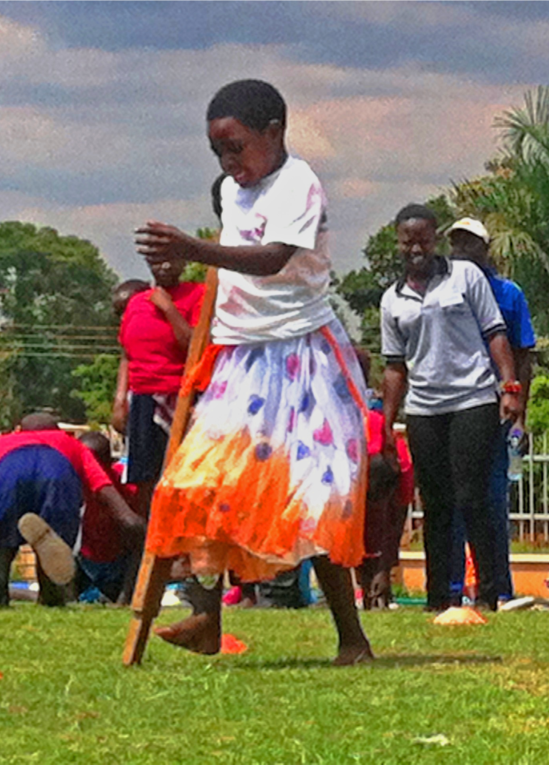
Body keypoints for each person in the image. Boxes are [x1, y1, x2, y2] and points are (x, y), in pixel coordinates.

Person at [134, 79, 372, 664]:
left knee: (317, 496)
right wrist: (185, 260)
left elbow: (273, 260)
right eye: (218, 152)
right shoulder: (231, 192)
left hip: (303, 355)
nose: (228, 162)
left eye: (236, 147)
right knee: (203, 484)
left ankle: (352, 640)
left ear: (274, 133)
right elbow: (230, 270)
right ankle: (205, 617)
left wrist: (193, 249)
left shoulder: (299, 184)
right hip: (241, 358)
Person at [380, 204, 522, 612]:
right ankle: (439, 596)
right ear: (398, 243)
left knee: (472, 497)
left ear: (436, 239)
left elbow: (496, 335)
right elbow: (394, 367)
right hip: (425, 408)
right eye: (408, 241)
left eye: (423, 239)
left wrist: (509, 386)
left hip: (473, 399)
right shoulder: (392, 300)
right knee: (436, 503)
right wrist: (388, 424)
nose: (416, 248)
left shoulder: (465, 277)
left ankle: (490, 593)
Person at [0, 413, 145, 606]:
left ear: (20, 430)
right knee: (54, 545)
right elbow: (103, 488)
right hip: (56, 471)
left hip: (8, 470)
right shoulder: (71, 444)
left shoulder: (2, 443)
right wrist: (129, 518)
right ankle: (50, 593)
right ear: (57, 430)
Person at [446, 217, 535, 606]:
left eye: (470, 244)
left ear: (486, 249)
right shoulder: (441, 288)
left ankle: (497, 587)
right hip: (451, 406)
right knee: (450, 501)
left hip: (494, 408)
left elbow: (523, 353)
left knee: (491, 498)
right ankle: (449, 589)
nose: (462, 251)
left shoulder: (507, 294)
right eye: (456, 243)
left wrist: (519, 409)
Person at [113, 256, 204, 518]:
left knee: (181, 473)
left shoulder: (198, 295)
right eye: (157, 260)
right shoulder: (136, 303)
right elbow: (127, 355)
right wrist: (121, 400)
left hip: (179, 396)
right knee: (144, 477)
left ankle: (181, 542)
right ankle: (149, 543)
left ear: (183, 262)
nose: (165, 265)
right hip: (142, 397)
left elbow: (194, 347)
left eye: (171, 259)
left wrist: (169, 309)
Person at [354, 346, 414, 609]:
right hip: (384, 467)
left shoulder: (359, 415)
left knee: (370, 527)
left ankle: (372, 586)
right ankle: (369, 587)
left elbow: (397, 510)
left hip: (383, 468)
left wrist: (382, 567)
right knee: (376, 527)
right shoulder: (368, 414)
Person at [76, 431, 143, 603]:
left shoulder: (125, 484)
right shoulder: (74, 483)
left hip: (119, 564)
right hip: (85, 562)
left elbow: (136, 535)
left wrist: (125, 594)